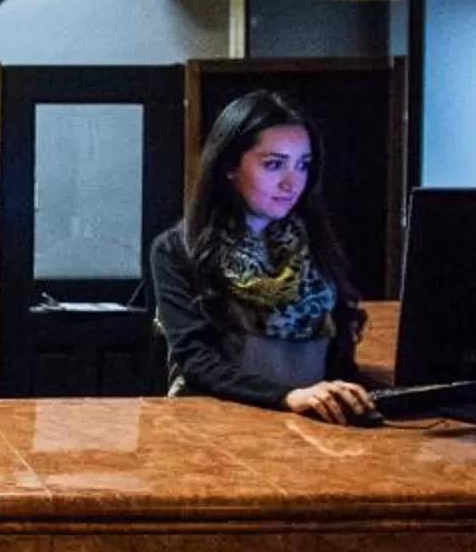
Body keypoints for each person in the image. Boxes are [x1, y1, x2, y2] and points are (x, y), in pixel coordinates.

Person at [148, 89, 375, 424]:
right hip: (217, 428)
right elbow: (197, 361)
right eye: (273, 164)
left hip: (314, 424)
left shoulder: (316, 241)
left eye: (303, 165)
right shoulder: (178, 248)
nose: (292, 182)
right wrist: (287, 396)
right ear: (229, 165)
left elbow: (337, 354)